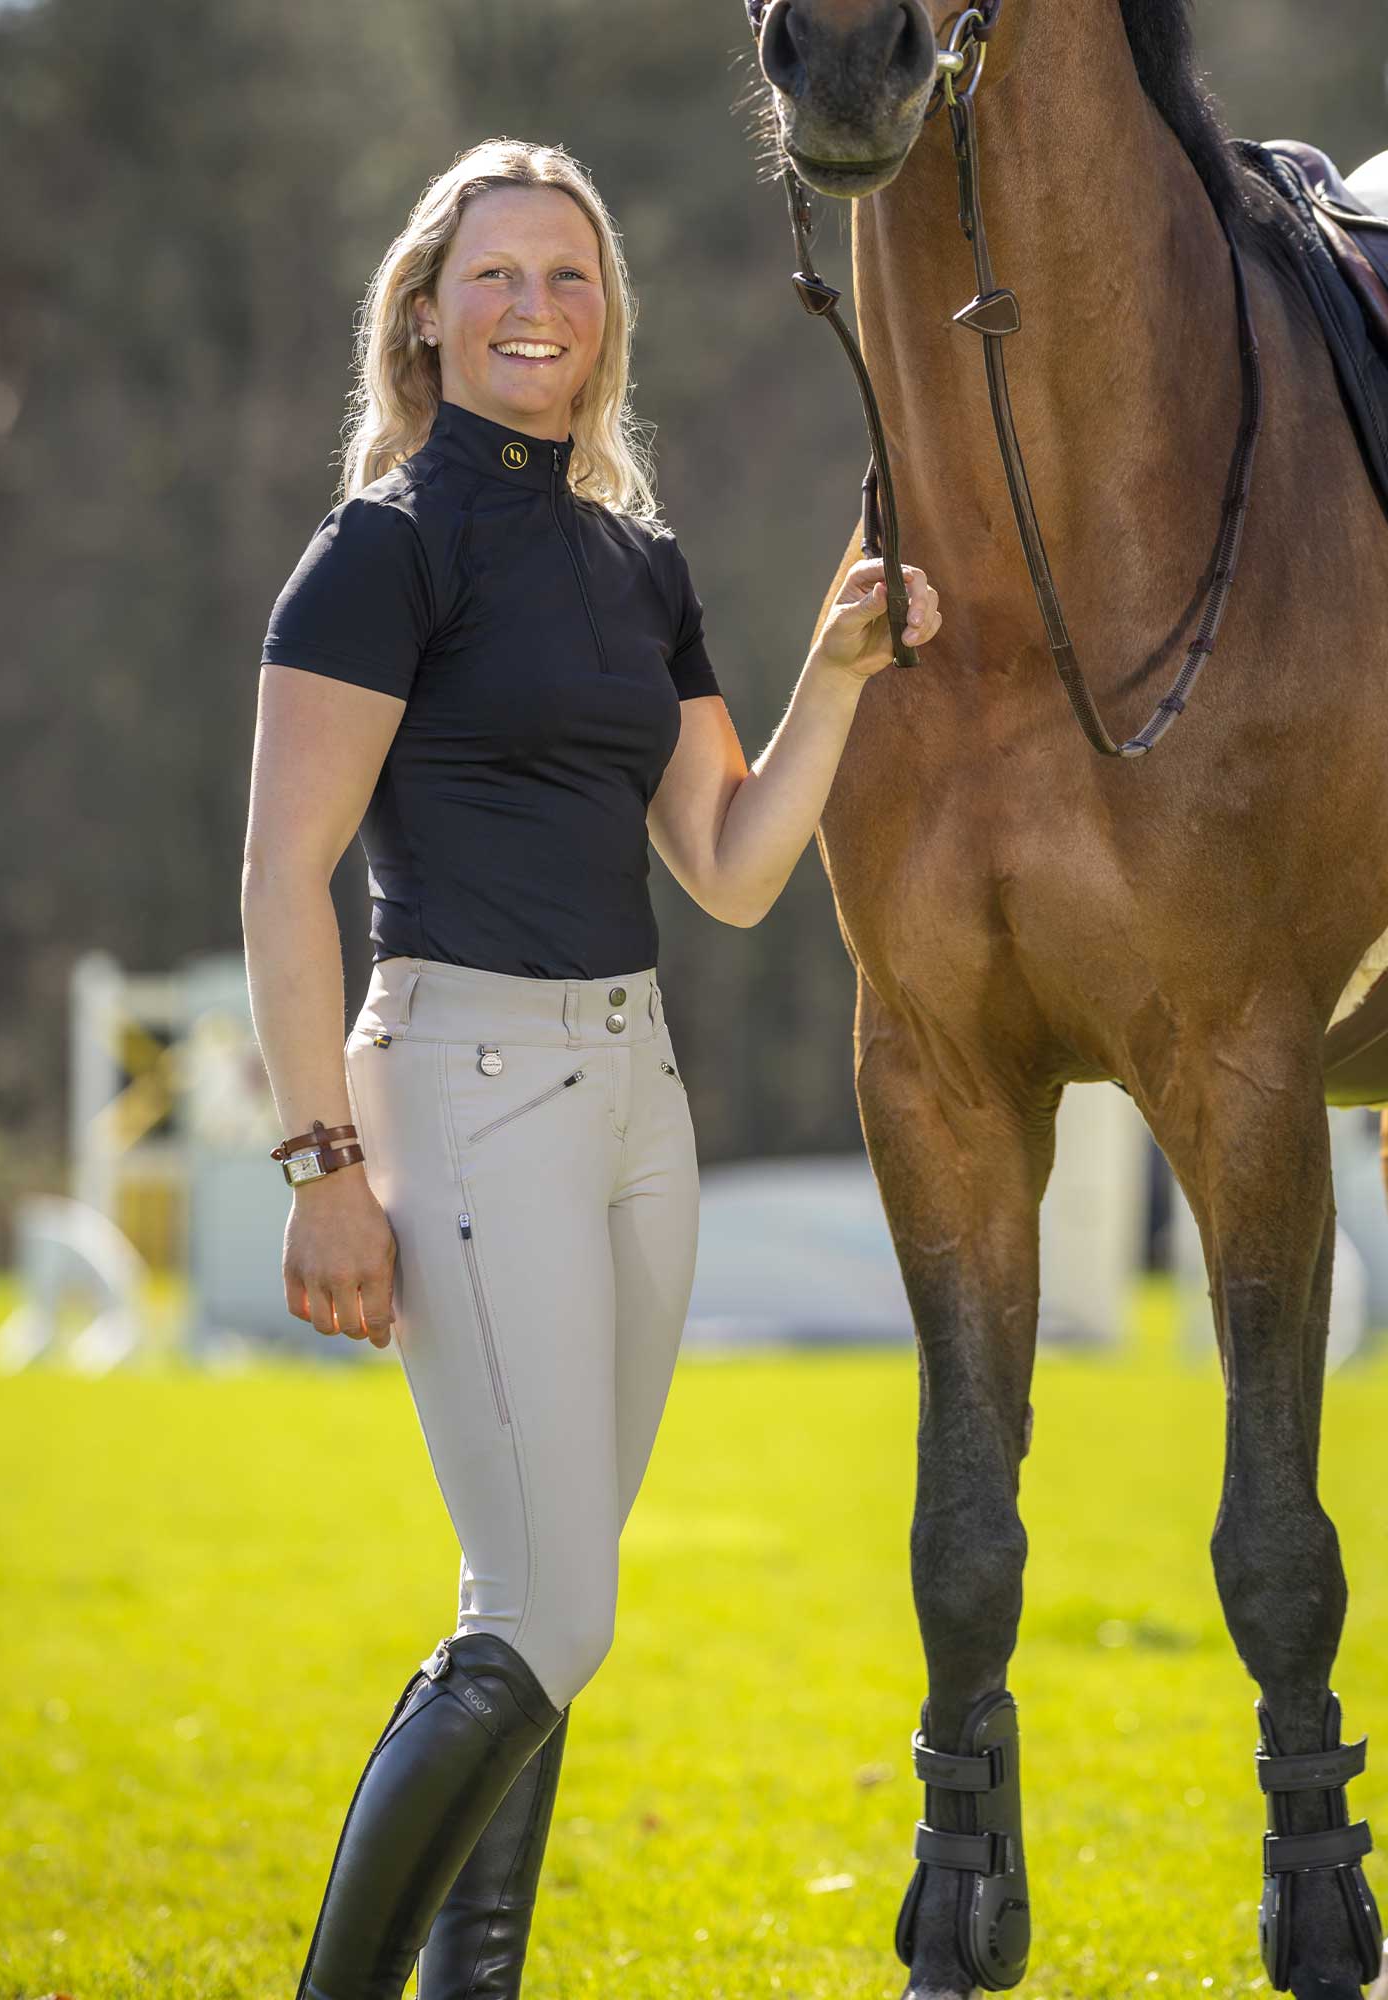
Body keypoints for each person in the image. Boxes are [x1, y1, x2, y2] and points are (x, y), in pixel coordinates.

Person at [241, 135, 941, 2000]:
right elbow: (278, 878)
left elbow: (724, 867)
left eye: (566, 274)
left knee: (548, 1616)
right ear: (426, 310)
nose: (533, 304)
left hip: (638, 1104)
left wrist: (841, 673)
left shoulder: (641, 565)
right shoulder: (381, 548)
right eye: (494, 274)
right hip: (458, 1091)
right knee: (547, 1610)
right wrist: (320, 1165)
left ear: (606, 314)